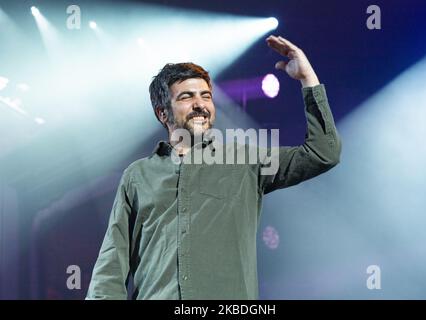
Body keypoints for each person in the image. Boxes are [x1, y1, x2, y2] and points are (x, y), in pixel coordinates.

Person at [86, 35, 342, 299]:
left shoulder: (245, 160)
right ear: (163, 113)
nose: (200, 104)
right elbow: (111, 267)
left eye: (206, 96)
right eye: (186, 96)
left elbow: (323, 153)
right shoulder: (137, 176)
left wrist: (307, 79)